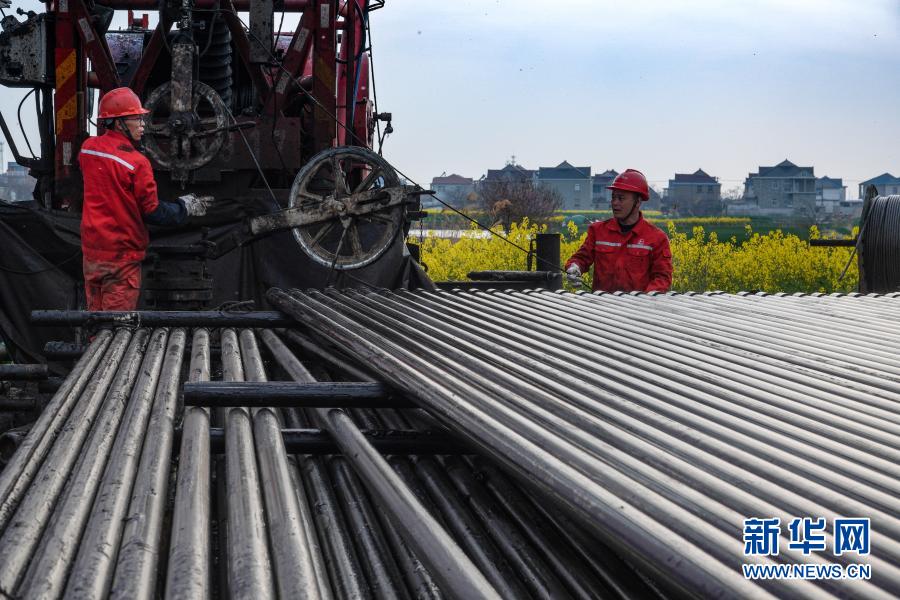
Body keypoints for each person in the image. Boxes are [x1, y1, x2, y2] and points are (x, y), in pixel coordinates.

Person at [79, 87, 211, 311]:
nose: (143, 124)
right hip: (121, 257)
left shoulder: (88, 150)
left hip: (93, 253)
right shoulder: (137, 163)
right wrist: (184, 207)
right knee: (115, 329)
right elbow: (152, 212)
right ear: (119, 123)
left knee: (96, 321)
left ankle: (94, 346)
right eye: (137, 119)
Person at [565, 169, 672, 292]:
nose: (615, 203)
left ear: (637, 202)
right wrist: (574, 267)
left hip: (638, 308)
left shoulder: (657, 238)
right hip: (601, 307)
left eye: (621, 198)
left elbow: (662, 279)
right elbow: (581, 258)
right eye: (613, 197)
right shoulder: (598, 231)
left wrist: (645, 301)